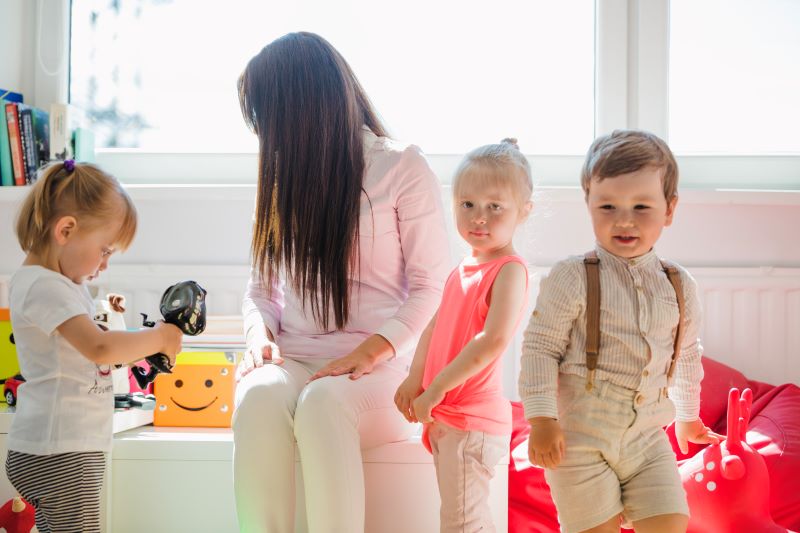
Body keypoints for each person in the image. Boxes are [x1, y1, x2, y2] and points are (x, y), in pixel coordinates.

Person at [233, 32, 451, 533]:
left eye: (269, 118)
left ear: (305, 108)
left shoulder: (400, 167)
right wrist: (258, 337)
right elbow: (260, 291)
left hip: (382, 372)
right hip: (296, 358)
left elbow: (431, 287)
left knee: (322, 405)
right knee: (258, 396)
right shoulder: (280, 178)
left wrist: (371, 350)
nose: (267, 134)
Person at [519, 130, 724, 533]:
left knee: (671, 521)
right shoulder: (572, 275)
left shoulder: (680, 284)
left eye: (641, 206)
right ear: (589, 204)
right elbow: (540, 348)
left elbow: (685, 354)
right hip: (579, 437)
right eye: (608, 206)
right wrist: (542, 419)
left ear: (669, 209)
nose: (624, 220)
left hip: (648, 436)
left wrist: (687, 416)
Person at [6, 160, 183, 533]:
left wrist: (137, 348)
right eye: (104, 250)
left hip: (61, 445)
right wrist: (162, 337)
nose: (103, 265)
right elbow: (100, 349)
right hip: (62, 450)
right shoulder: (44, 285)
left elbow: (97, 354)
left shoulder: (59, 285)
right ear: (66, 230)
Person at [395, 139, 532, 532]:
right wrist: (414, 378)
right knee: (461, 520)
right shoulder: (462, 269)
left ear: (523, 211)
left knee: (462, 524)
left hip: (472, 421)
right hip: (448, 417)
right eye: (467, 204)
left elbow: (492, 341)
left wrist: (436, 388)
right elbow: (434, 328)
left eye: (495, 206)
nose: (479, 217)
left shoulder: (509, 271)